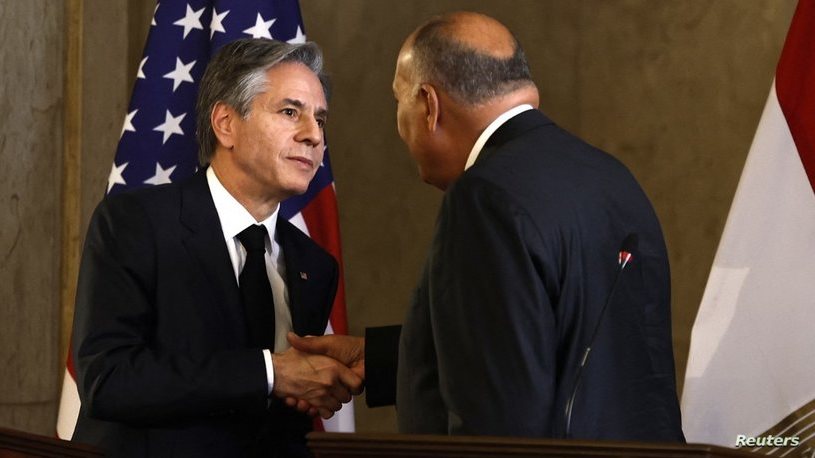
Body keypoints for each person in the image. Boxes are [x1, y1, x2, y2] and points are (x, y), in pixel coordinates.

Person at [289, 11, 685, 441]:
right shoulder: (612, 177)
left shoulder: (483, 198)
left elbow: (498, 416)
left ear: (429, 105)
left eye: (398, 99)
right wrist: (390, 357)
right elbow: (573, 348)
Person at [70, 38, 362, 457]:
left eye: (320, 119)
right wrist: (270, 372)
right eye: (290, 112)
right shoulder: (137, 222)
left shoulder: (314, 264)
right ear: (226, 123)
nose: (313, 135)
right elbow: (108, 379)